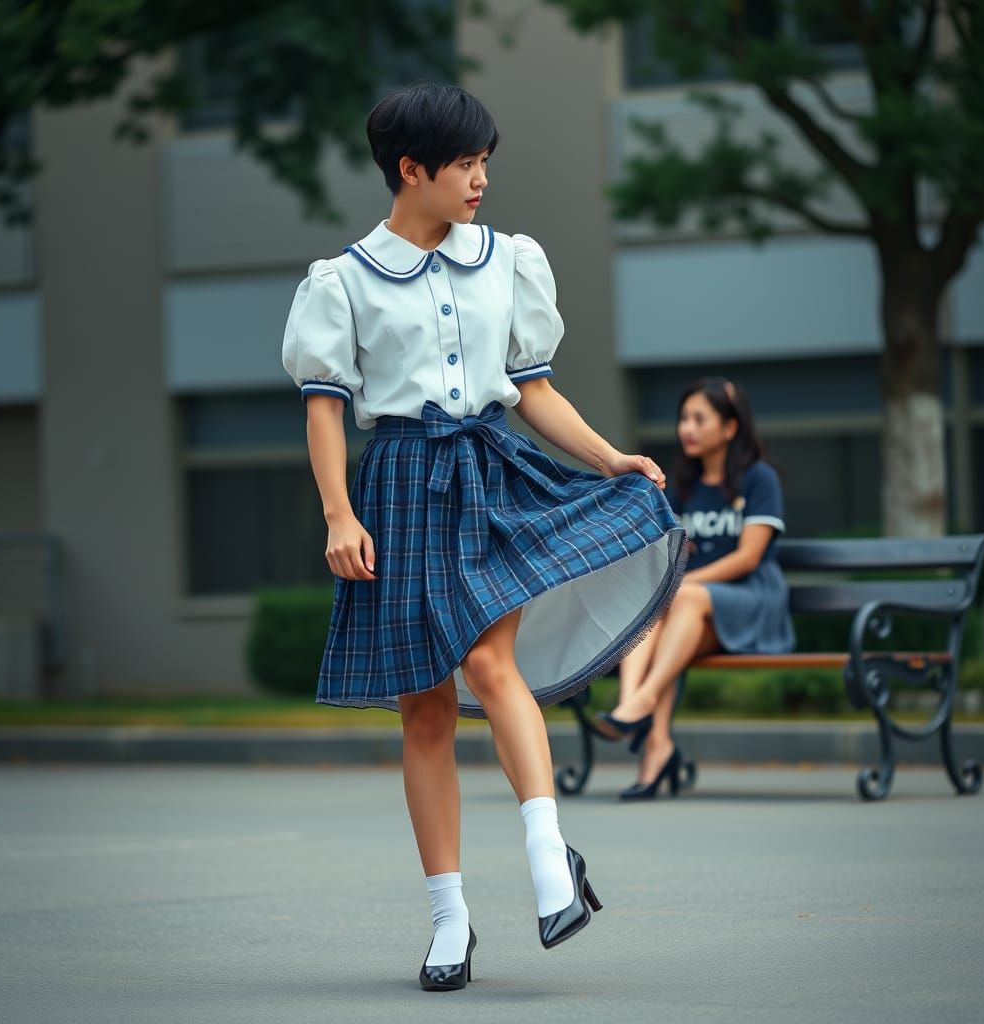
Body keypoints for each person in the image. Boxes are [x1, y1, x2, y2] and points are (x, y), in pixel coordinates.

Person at [281, 83, 687, 991]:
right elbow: (325, 409)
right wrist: (339, 514)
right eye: (464, 165)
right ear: (410, 170)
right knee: (424, 709)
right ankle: (449, 921)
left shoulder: (507, 259)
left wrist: (609, 453)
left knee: (492, 666)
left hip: (490, 473)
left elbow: (532, 388)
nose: (479, 181)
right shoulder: (342, 281)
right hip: (397, 486)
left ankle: (551, 862)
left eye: (485, 163)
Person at [596, 377, 795, 799]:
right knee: (661, 606)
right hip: (694, 614)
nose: (687, 427)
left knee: (674, 596)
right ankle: (653, 740)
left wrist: (679, 584)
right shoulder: (682, 484)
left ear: (729, 427)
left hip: (753, 601)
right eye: (684, 418)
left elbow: (748, 558)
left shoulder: (759, 480)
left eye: (699, 418)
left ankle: (638, 702)